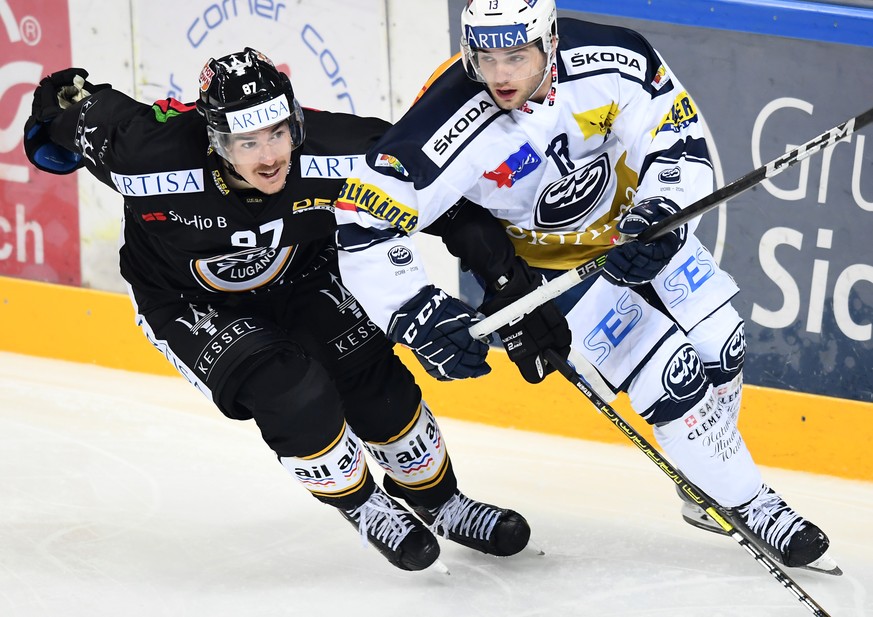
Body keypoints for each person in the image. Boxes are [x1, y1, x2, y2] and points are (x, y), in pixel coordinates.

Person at [333, 0, 838, 574]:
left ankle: (706, 485)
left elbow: (674, 133)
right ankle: (748, 502)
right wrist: (417, 312)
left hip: (633, 225)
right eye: (485, 57)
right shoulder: (444, 119)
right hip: (550, 271)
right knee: (673, 381)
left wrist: (663, 211)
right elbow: (363, 221)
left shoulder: (615, 56)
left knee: (723, 344)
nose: (499, 75)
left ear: (549, 41)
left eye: (516, 57)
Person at [22, 48, 533, 572]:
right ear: (214, 138)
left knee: (380, 390)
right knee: (293, 390)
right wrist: (53, 114)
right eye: (246, 142)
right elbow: (75, 114)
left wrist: (503, 283)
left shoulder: (347, 151)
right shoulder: (143, 153)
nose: (268, 157)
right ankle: (361, 505)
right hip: (188, 301)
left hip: (305, 278)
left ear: (295, 121)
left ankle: (439, 500)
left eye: (276, 134)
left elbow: (448, 203)